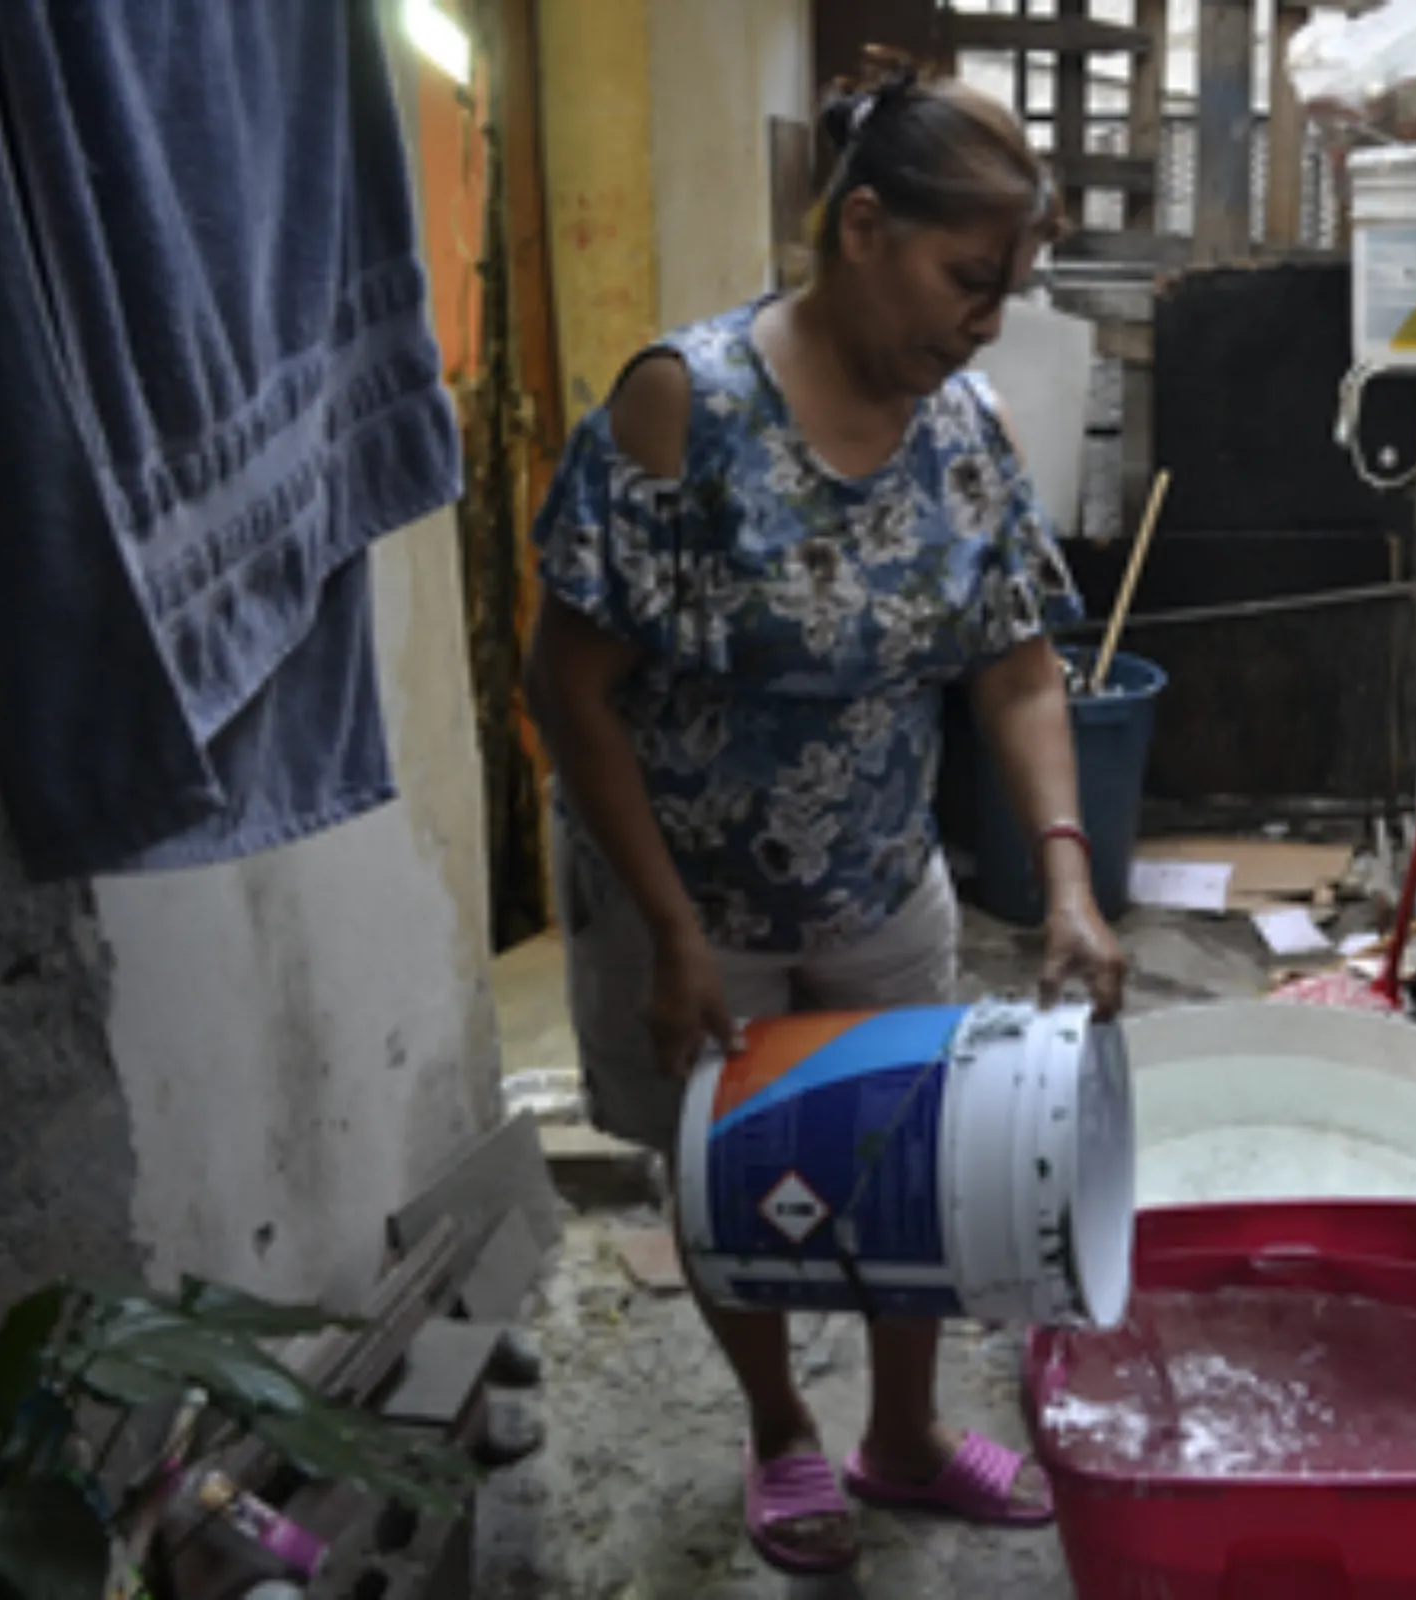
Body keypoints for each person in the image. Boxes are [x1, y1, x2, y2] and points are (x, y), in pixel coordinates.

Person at [523, 59, 1128, 1576]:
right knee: (734, 1182)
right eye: (967, 279)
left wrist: (1066, 876)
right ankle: (783, 1430)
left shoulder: (965, 420)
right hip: (690, 900)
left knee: (910, 1167)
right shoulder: (689, 405)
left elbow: (1014, 665)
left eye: (1009, 289)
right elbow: (568, 686)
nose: (987, 320)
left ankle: (904, 1436)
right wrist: (669, 935)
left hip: (877, 878)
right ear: (862, 226)